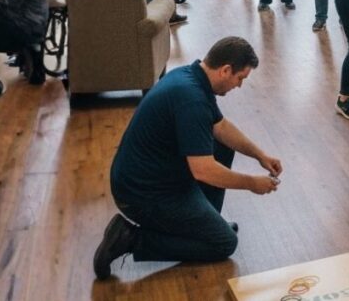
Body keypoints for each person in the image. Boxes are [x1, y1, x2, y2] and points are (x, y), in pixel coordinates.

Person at [94, 37, 282, 280]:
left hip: (152, 177)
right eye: (240, 78)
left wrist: (260, 155)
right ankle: (130, 239)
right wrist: (251, 184)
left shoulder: (191, 78)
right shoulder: (191, 100)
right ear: (225, 70)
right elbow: (203, 171)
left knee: (222, 146)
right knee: (224, 243)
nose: (239, 85)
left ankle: (204, 224)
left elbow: (221, 127)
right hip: (141, 195)